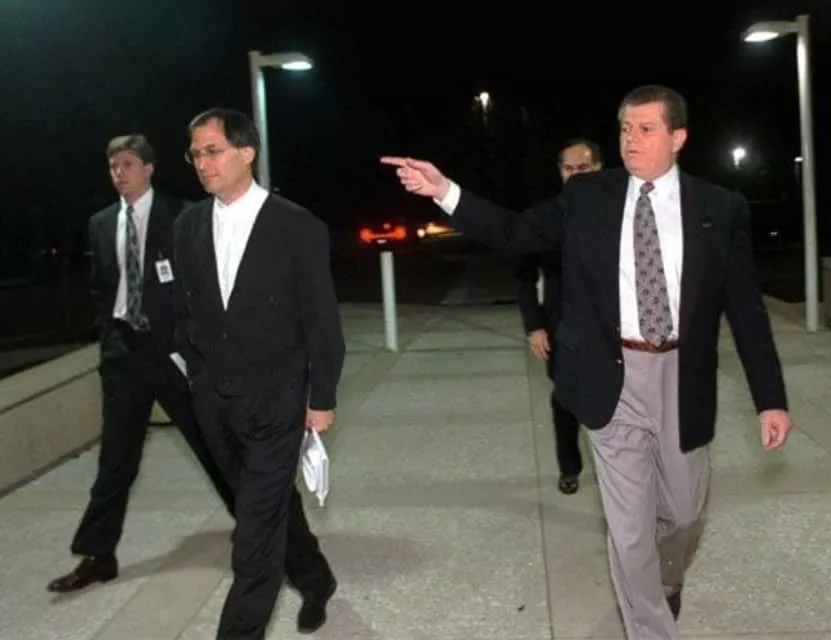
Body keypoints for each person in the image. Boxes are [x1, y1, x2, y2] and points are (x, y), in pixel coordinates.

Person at [381, 84, 792, 638]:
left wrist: (770, 399)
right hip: (610, 377)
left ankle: (666, 577)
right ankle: (650, 629)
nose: (631, 140)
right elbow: (515, 232)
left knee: (685, 513)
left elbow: (745, 309)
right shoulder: (588, 196)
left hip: (681, 378)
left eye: (646, 129)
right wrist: (445, 191)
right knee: (629, 532)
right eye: (624, 129)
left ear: (678, 137)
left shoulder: (720, 209)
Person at [172, 108, 344, 639]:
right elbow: (188, 311)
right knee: (267, 507)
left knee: (252, 535)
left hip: (278, 402)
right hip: (214, 402)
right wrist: (194, 375)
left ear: (247, 152)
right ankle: (316, 579)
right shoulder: (187, 225)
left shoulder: (297, 225)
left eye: (213, 151)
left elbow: (322, 321)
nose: (203, 163)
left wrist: (322, 397)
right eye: (195, 154)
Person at [48, 135, 234, 593]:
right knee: (115, 458)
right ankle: (98, 555)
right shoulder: (101, 223)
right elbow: (101, 288)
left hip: (171, 351)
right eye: (113, 166)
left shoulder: (184, 215)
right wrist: (109, 338)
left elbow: (203, 284)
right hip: (122, 353)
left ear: (149, 168)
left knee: (212, 442)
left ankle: (260, 525)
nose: (120, 173)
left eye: (128, 164)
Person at [516, 139, 603, 495]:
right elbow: (524, 277)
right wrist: (535, 325)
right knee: (565, 398)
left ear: (598, 169)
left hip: (610, 326)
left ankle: (619, 470)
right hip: (560, 327)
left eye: (583, 168)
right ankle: (569, 467)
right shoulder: (545, 217)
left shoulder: (621, 212)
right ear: (560, 172)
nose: (575, 175)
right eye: (569, 168)